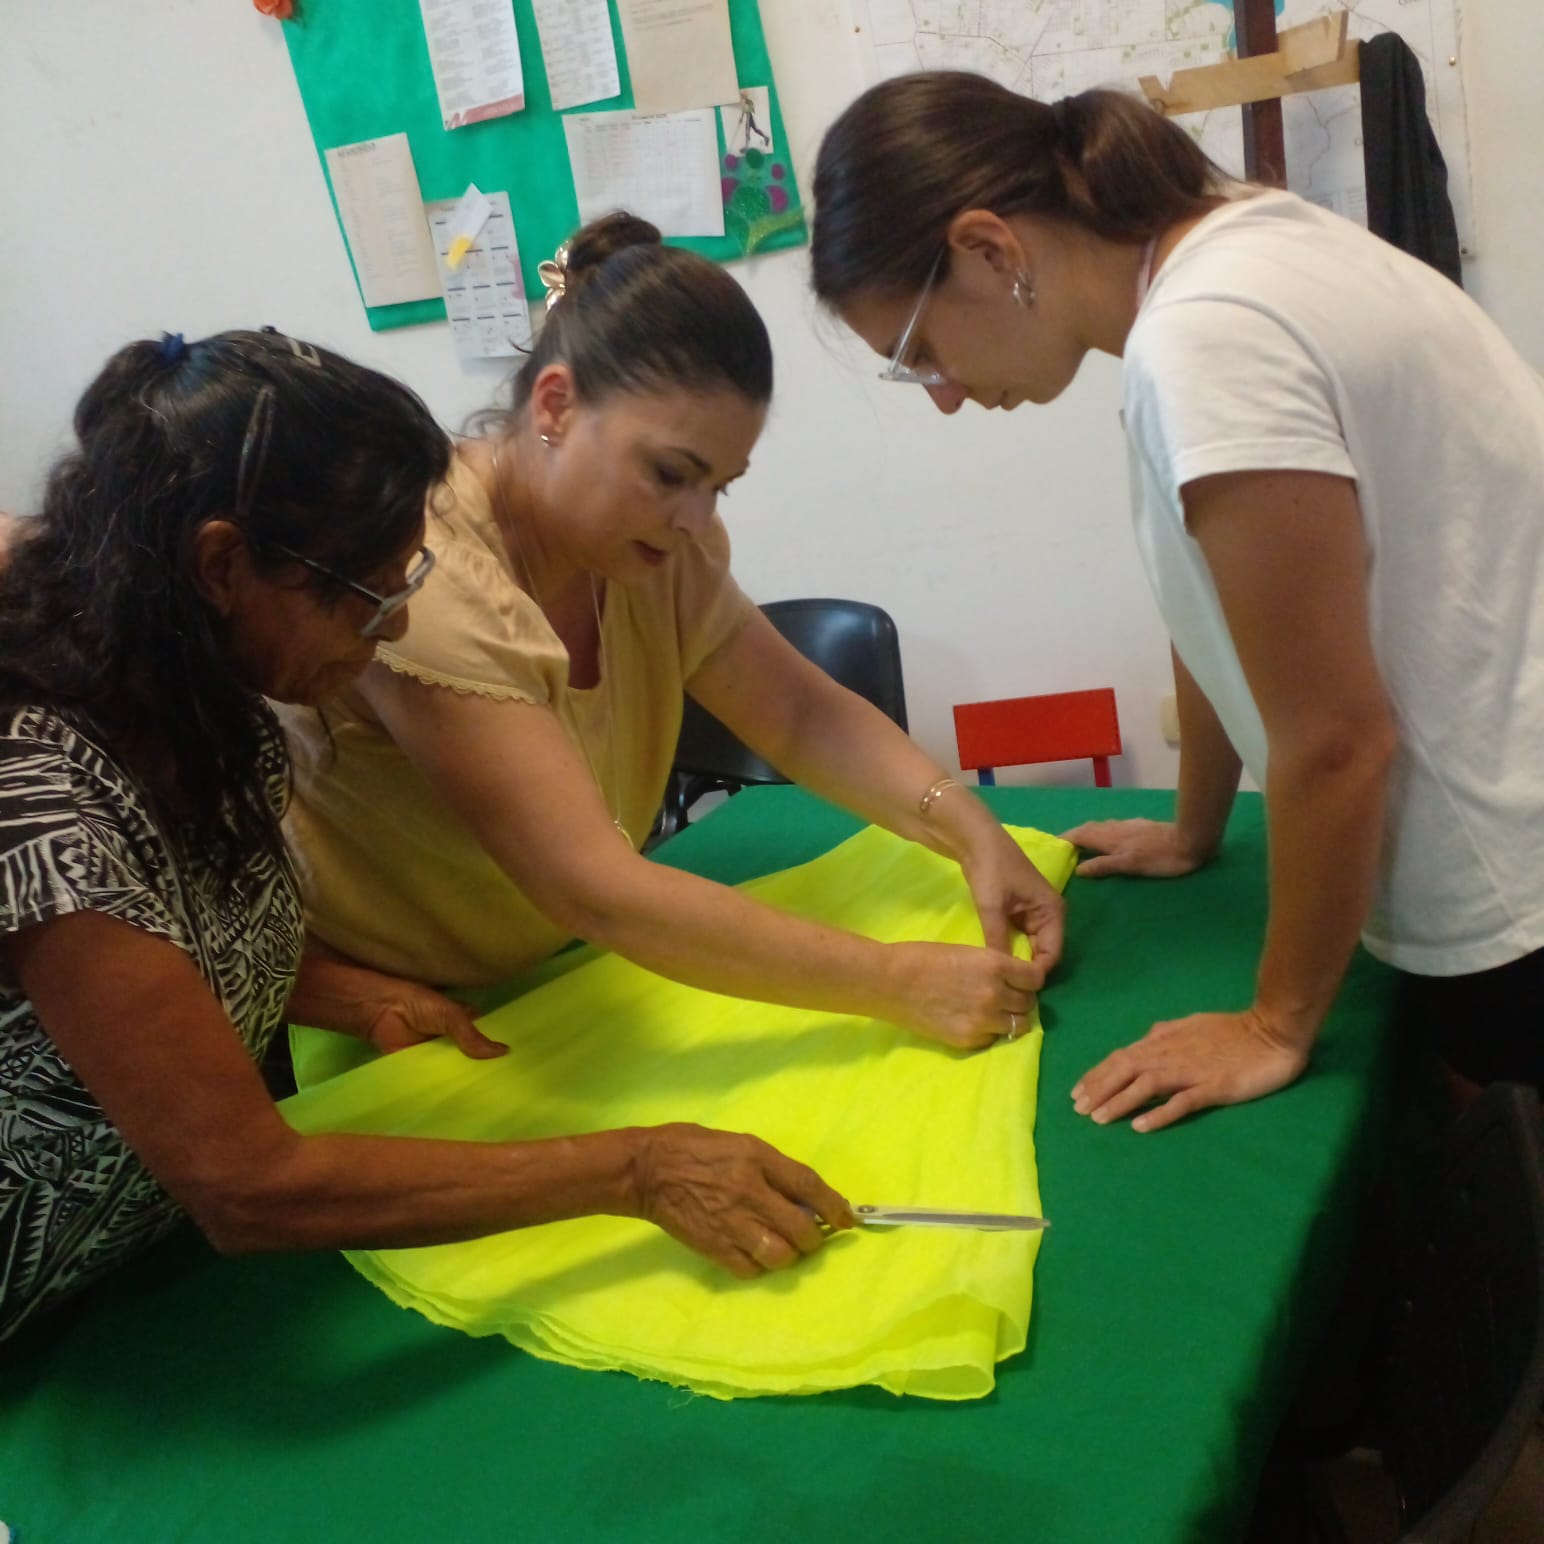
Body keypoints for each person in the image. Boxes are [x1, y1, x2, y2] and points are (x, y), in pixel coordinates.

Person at [0, 330, 853, 1343]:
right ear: (222, 564)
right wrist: (635, 1168)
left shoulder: (212, 694)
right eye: (371, 593)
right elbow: (248, 1184)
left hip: (139, 1269)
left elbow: (170, 940)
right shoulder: (42, 799)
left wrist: (343, 992)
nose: (397, 628)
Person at [808, 72, 1544, 1128]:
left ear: (989, 249)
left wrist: (1273, 1023)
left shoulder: (1206, 339)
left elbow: (1336, 740)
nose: (945, 396)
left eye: (920, 351)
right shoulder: (1233, 249)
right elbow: (1216, 609)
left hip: (1510, 866)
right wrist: (1193, 825)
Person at [279, 213, 1066, 1052]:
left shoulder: (656, 553)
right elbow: (592, 886)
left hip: (559, 972)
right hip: (390, 1011)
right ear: (555, 405)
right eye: (668, 474)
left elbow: (801, 714)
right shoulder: (426, 572)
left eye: (720, 485)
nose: (695, 519)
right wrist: (897, 982)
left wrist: (971, 831)